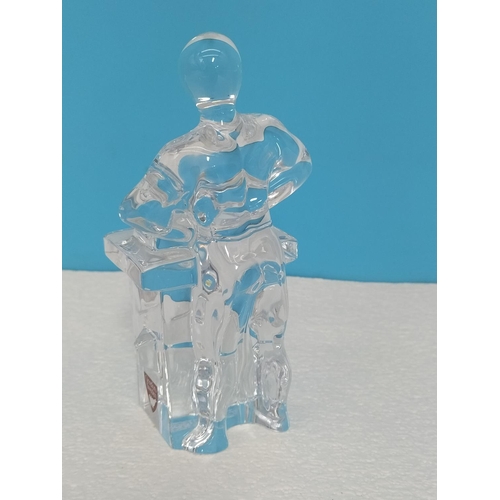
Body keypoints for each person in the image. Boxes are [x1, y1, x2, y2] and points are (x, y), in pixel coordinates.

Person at [119, 33, 312, 452]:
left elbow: (135, 209)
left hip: (221, 260)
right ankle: (272, 412)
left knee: (208, 352)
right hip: (265, 248)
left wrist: (186, 224)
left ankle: (210, 429)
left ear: (189, 86)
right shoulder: (267, 130)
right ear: (238, 76)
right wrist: (265, 197)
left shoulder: (185, 153)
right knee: (271, 341)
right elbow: (302, 164)